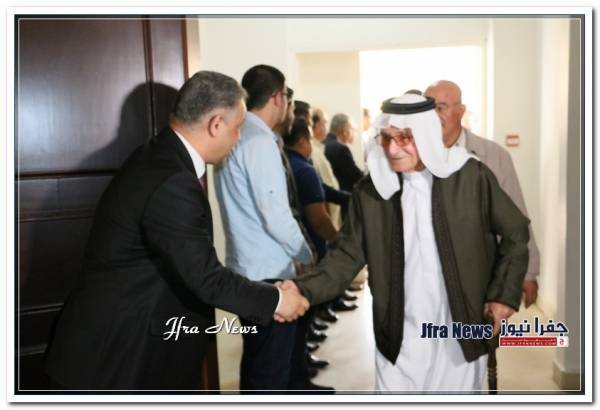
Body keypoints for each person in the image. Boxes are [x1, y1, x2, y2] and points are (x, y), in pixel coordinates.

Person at [44, 71, 309, 390]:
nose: (239, 139)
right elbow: (206, 278)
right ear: (216, 124)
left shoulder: (160, 156)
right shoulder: (173, 180)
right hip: (115, 357)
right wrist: (278, 300)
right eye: (238, 128)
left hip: (125, 345)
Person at [284, 94, 530, 392]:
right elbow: (346, 256)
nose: (392, 148)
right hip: (398, 336)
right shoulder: (371, 192)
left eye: (404, 138)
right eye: (387, 138)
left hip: (459, 334)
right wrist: (302, 289)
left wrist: (502, 295)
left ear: (426, 135)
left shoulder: (470, 177)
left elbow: (516, 232)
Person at [213, 65, 315, 392]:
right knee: (269, 373)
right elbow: (276, 215)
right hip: (270, 273)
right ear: (277, 97)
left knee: (263, 363)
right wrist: (306, 254)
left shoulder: (237, 134)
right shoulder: (258, 141)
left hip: (248, 268)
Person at [424, 80, 540, 307]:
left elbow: (516, 216)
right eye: (427, 109)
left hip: (482, 276)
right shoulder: (416, 156)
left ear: (460, 111)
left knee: (479, 327)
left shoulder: (493, 156)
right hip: (431, 277)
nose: (433, 116)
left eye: (440, 108)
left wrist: (528, 273)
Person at [324, 113, 364, 195]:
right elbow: (357, 176)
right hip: (342, 197)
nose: (355, 133)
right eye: (353, 129)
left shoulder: (323, 143)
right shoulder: (341, 149)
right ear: (345, 131)